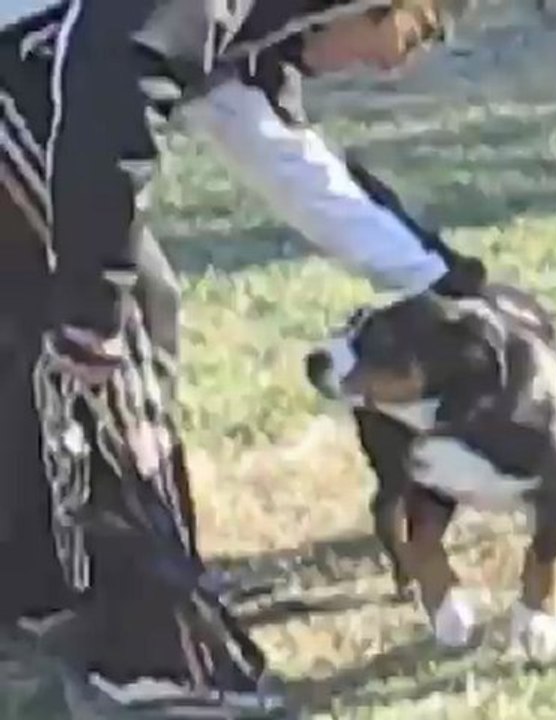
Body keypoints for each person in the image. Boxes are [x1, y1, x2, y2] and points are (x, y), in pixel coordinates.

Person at [0, 0, 484, 715]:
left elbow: (290, 163)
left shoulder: (244, 33)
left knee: (73, 316)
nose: (392, 65)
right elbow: (111, 67)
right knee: (114, 333)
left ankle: (39, 599)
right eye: (412, 35)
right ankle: (157, 656)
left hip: (40, 81)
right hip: (30, 83)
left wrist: (442, 282)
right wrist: (95, 296)